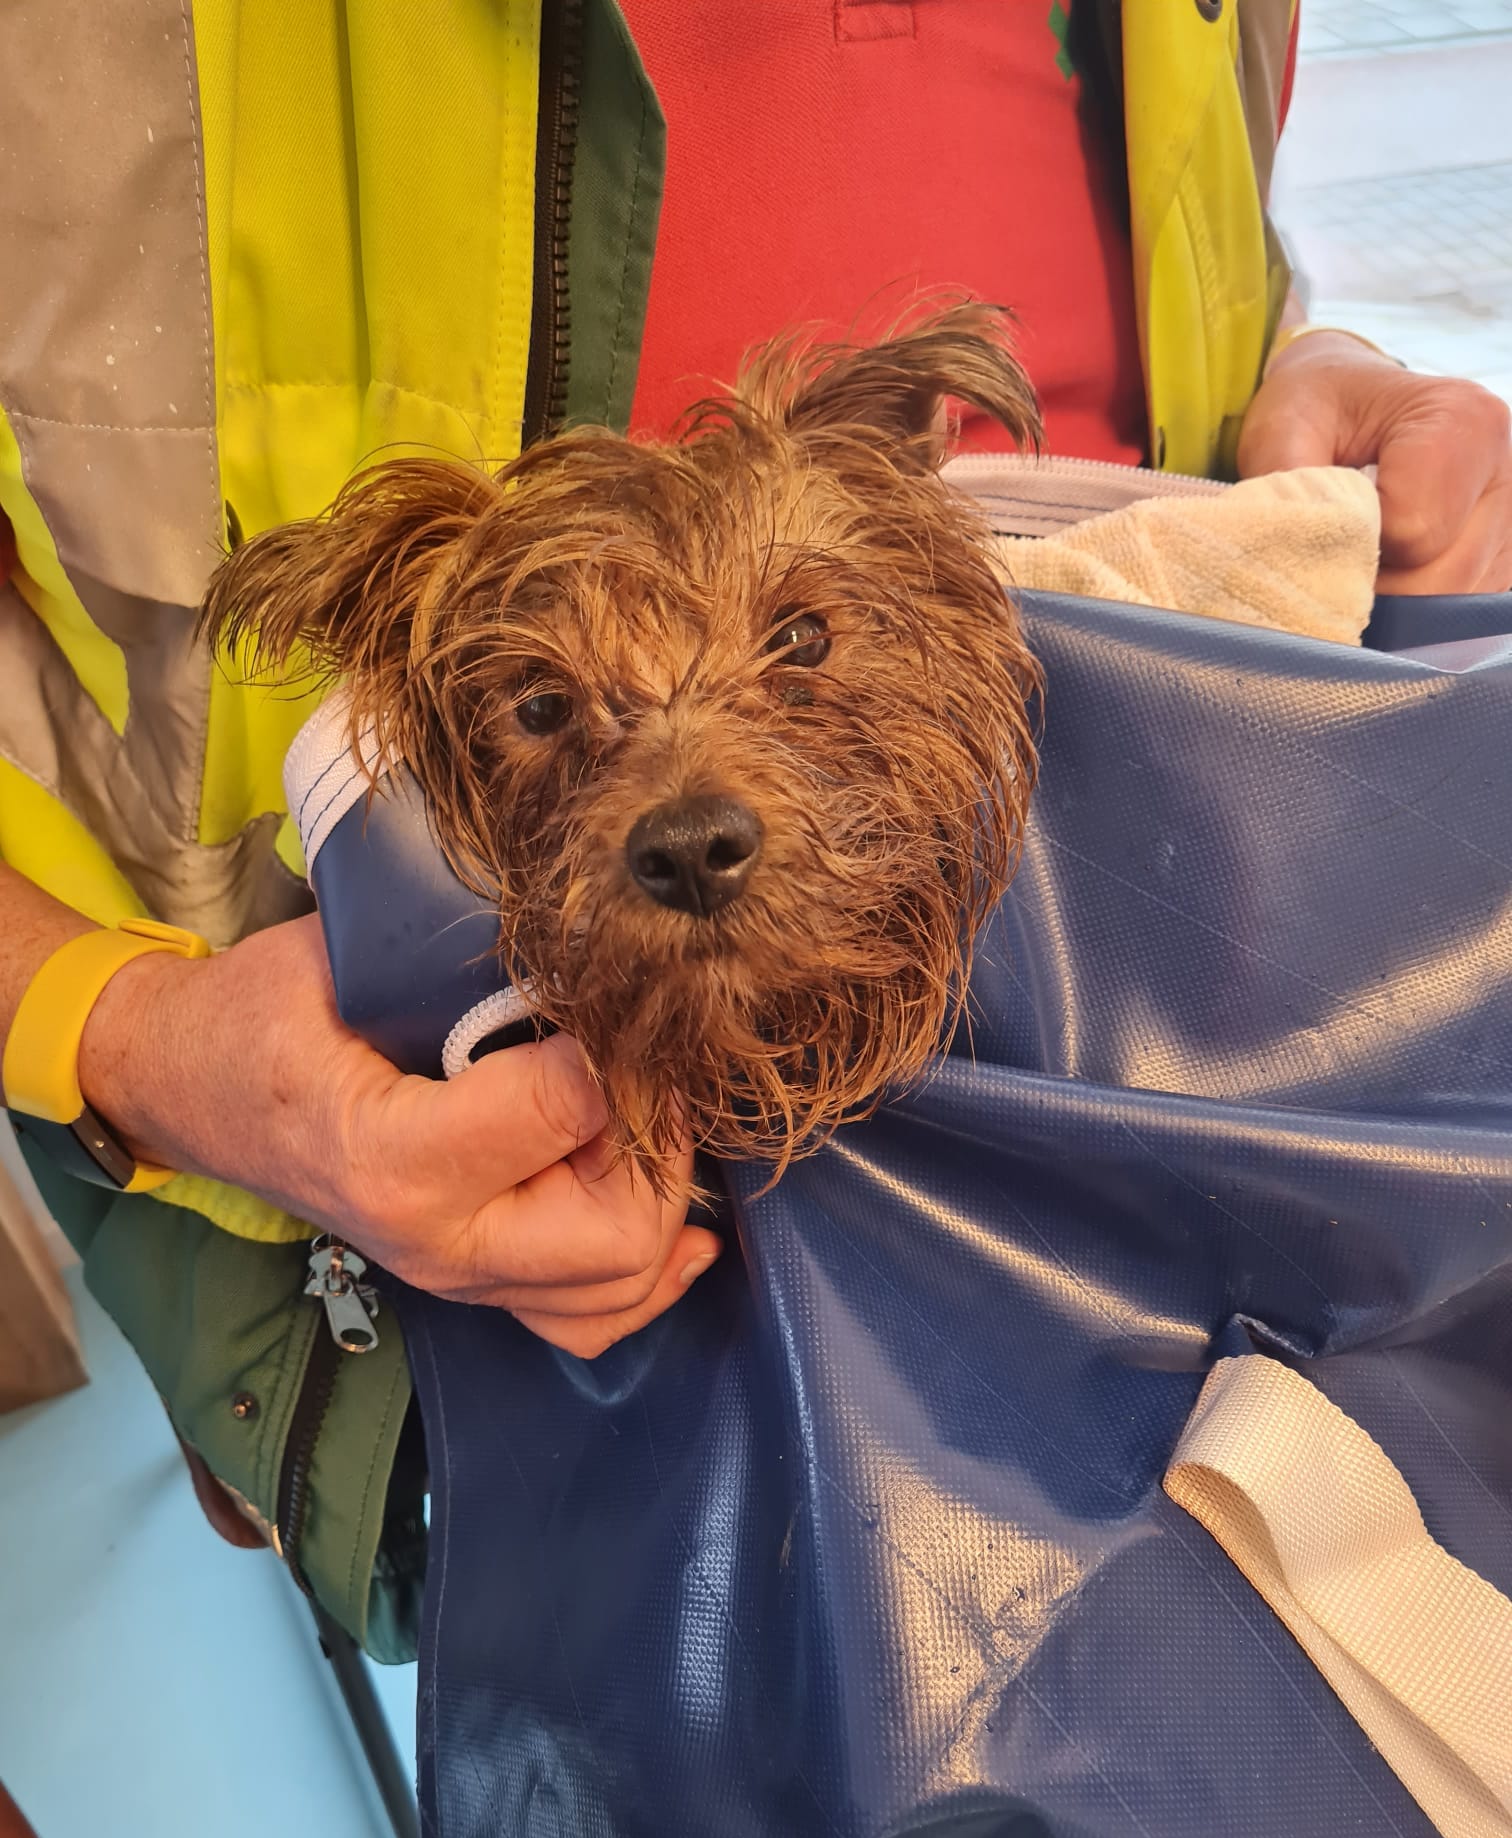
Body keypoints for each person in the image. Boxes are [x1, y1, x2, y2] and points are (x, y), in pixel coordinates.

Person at [1, 0, 1509, 1648]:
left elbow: (1216, 254)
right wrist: (129, 1029)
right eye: (548, 707)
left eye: (789, 651)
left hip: (1205, 1028)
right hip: (479, 1287)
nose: (691, 810)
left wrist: (1317, 374)